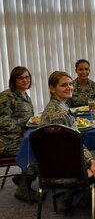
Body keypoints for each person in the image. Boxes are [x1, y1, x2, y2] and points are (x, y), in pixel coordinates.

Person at [39, 71, 95, 211]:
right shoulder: (58, 113)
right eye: (64, 85)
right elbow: (72, 149)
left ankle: (68, 198)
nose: (70, 87)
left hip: (50, 167)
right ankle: (88, 198)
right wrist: (92, 161)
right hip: (63, 170)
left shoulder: (57, 106)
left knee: (90, 153)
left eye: (70, 84)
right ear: (52, 88)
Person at [0, 66, 38, 202]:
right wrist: (22, 132)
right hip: (7, 141)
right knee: (35, 151)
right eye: (20, 78)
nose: (24, 80)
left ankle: (23, 178)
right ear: (13, 80)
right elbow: (3, 120)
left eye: (27, 77)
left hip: (21, 137)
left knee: (42, 144)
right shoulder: (6, 96)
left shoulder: (26, 96)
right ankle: (23, 189)